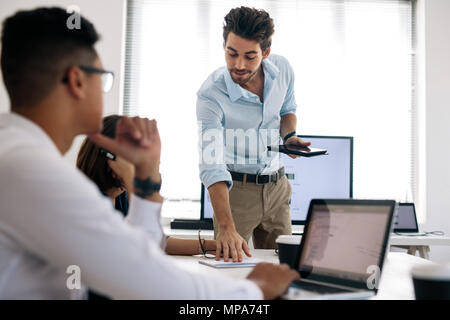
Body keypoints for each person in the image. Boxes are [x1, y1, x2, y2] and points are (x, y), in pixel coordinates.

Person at [0, 7, 299, 299]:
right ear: (78, 81)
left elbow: (133, 256)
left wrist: (145, 181)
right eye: (102, 77)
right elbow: (147, 282)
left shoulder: (17, 155)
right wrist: (255, 290)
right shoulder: (33, 172)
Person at [197, 7, 310, 262]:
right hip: (236, 192)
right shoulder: (210, 94)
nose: (238, 65)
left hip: (278, 189)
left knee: (283, 269)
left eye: (250, 56)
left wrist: (289, 136)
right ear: (223, 45)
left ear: (265, 53)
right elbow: (211, 163)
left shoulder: (282, 69)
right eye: (232, 53)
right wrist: (225, 226)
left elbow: (287, 109)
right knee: (228, 269)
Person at [76, 114, 217, 257]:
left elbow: (155, 241)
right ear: (111, 158)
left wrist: (209, 246)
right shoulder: (88, 204)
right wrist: (134, 180)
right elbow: (134, 250)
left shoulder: (121, 198)